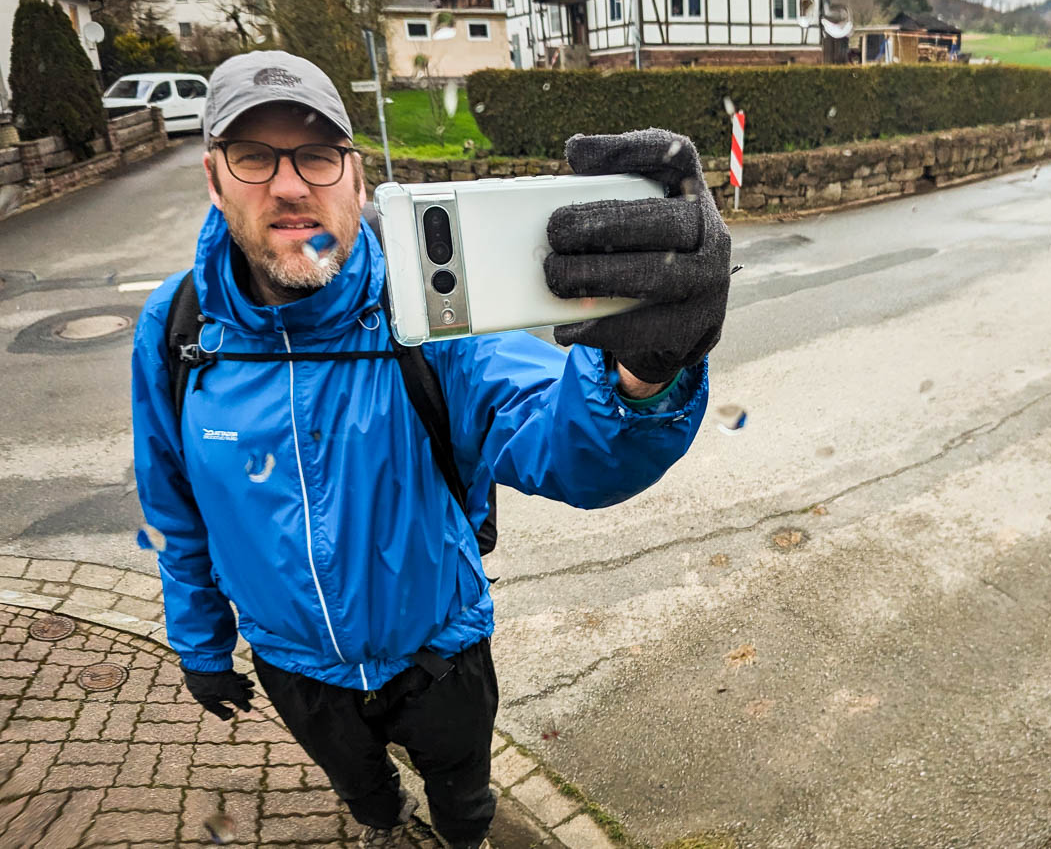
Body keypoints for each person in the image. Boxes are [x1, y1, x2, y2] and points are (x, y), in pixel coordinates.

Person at [131, 51, 730, 848]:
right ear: (213, 177)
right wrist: (201, 645)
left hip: (441, 654)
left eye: (316, 154)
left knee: (464, 794)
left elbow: (570, 448)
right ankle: (383, 819)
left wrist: (646, 373)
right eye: (253, 156)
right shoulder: (176, 333)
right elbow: (174, 509)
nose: (288, 185)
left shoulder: (426, 319)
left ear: (354, 174)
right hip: (293, 665)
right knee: (362, 789)